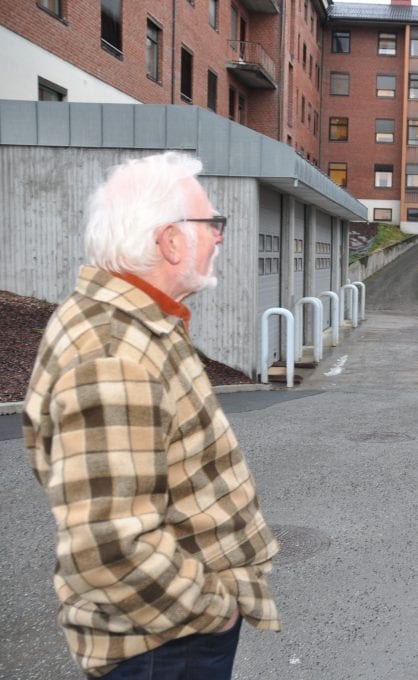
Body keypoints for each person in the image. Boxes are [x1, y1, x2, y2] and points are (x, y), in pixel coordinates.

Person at [23, 152, 280, 679]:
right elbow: (110, 546)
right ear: (169, 240)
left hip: (165, 633)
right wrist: (216, 606)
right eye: (211, 224)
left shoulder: (131, 322)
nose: (219, 236)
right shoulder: (115, 354)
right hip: (164, 641)